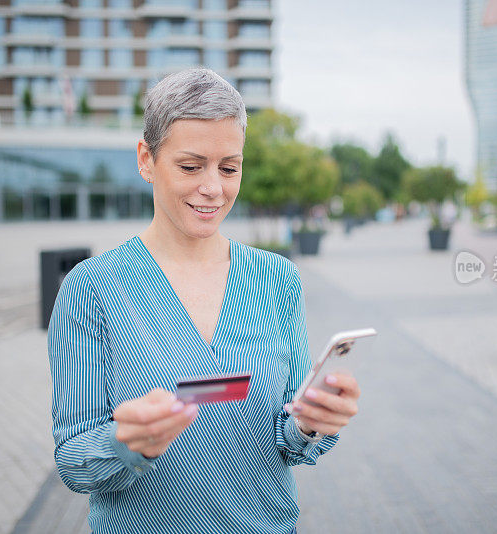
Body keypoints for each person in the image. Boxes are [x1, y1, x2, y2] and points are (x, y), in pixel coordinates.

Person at [48, 68, 361, 534]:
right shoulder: (91, 289)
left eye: (229, 167)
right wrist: (124, 443)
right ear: (146, 160)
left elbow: (288, 434)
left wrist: (312, 423)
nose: (213, 187)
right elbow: (73, 463)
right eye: (191, 167)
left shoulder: (277, 279)